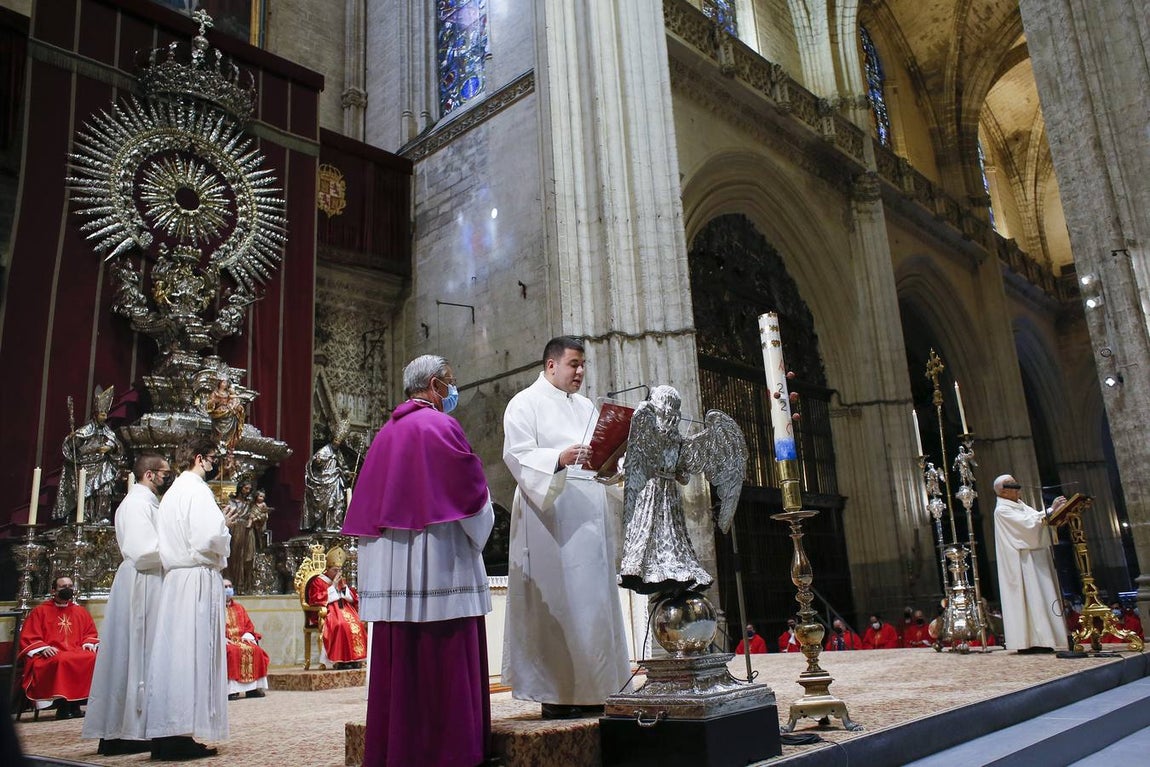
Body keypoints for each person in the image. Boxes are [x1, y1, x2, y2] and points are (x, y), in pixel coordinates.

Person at [343, 354, 495, 767]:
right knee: (443, 661)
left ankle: (401, 751)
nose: (453, 389)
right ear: (433, 385)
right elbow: (472, 498)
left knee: (403, 664)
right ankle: (454, 751)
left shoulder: (386, 434)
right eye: (450, 381)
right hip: (439, 561)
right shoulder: (441, 425)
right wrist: (484, 528)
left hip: (394, 568)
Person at [502, 336, 630, 720]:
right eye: (574, 364)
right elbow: (517, 455)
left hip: (590, 515)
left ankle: (599, 687)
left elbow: (600, 456)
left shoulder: (588, 407)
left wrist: (614, 461)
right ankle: (557, 693)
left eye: (583, 365)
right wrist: (558, 457)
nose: (580, 372)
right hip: (550, 518)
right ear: (551, 365)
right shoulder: (524, 403)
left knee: (594, 606)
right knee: (561, 604)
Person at [145, 439, 230, 760]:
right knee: (191, 653)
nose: (214, 465)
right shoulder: (196, 490)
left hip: (176, 579)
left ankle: (168, 731)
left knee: (173, 654)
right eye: (212, 459)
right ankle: (179, 733)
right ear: (199, 459)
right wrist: (226, 530)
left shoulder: (171, 495)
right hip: (196, 578)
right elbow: (209, 537)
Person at [82, 453, 169, 756]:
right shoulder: (136, 505)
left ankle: (125, 728)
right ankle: (127, 729)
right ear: (149, 475)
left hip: (146, 580)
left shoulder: (147, 504)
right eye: (163, 474)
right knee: (136, 653)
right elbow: (144, 551)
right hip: (142, 581)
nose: (165, 479)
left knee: (134, 654)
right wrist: (182, 546)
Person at [992, 474, 1067, 653]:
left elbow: (1036, 518)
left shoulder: (1020, 505)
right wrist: (1050, 510)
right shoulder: (1002, 510)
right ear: (1003, 491)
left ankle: (1046, 638)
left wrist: (1056, 511)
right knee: (1031, 598)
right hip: (1023, 563)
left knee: (1041, 597)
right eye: (1012, 484)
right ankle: (1031, 641)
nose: (1017, 487)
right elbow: (1027, 526)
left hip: (1036, 559)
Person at [18, 576, 99, 719]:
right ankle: (63, 707)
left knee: (91, 657)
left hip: (75, 650)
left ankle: (76, 706)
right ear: (53, 590)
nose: (67, 589)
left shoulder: (80, 611)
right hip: (49, 654)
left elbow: (90, 632)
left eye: (70, 586)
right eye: (63, 587)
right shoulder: (40, 611)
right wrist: (43, 647)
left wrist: (88, 643)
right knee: (62, 660)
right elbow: (29, 636)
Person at [52, 385, 124, 523]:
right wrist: (74, 439)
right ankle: (84, 518)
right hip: (86, 467)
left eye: (106, 414)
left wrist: (110, 447)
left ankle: (102, 518)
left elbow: (117, 445)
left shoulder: (108, 431)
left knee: (105, 490)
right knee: (85, 494)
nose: (104, 416)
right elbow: (72, 446)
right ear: (96, 413)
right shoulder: (86, 430)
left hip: (102, 466)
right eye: (102, 413)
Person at [306, 547, 367, 668]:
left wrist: (344, 589)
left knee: (357, 623)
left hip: (344, 609)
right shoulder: (318, 582)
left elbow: (351, 597)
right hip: (328, 611)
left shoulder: (340, 580)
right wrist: (333, 586)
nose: (337, 573)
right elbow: (316, 599)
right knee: (341, 625)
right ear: (327, 569)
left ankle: (353, 659)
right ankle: (339, 661)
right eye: (335, 570)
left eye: (339, 570)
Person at [223, 579, 269, 700]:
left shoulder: (239, 608)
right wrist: (221, 639)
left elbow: (249, 626)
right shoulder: (215, 609)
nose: (228, 589)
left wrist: (248, 635)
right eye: (225, 587)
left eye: (230, 586)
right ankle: (232, 690)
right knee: (233, 652)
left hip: (241, 639)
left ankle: (253, 689)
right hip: (226, 641)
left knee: (257, 650)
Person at [304, 417, 352, 532]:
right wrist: (318, 462)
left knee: (338, 501)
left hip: (335, 480)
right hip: (324, 480)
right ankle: (321, 524)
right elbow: (315, 461)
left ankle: (335, 524)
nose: (337, 443)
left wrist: (348, 473)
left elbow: (343, 466)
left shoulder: (338, 453)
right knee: (323, 504)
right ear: (332, 439)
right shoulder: (325, 450)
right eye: (336, 440)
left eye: (339, 441)